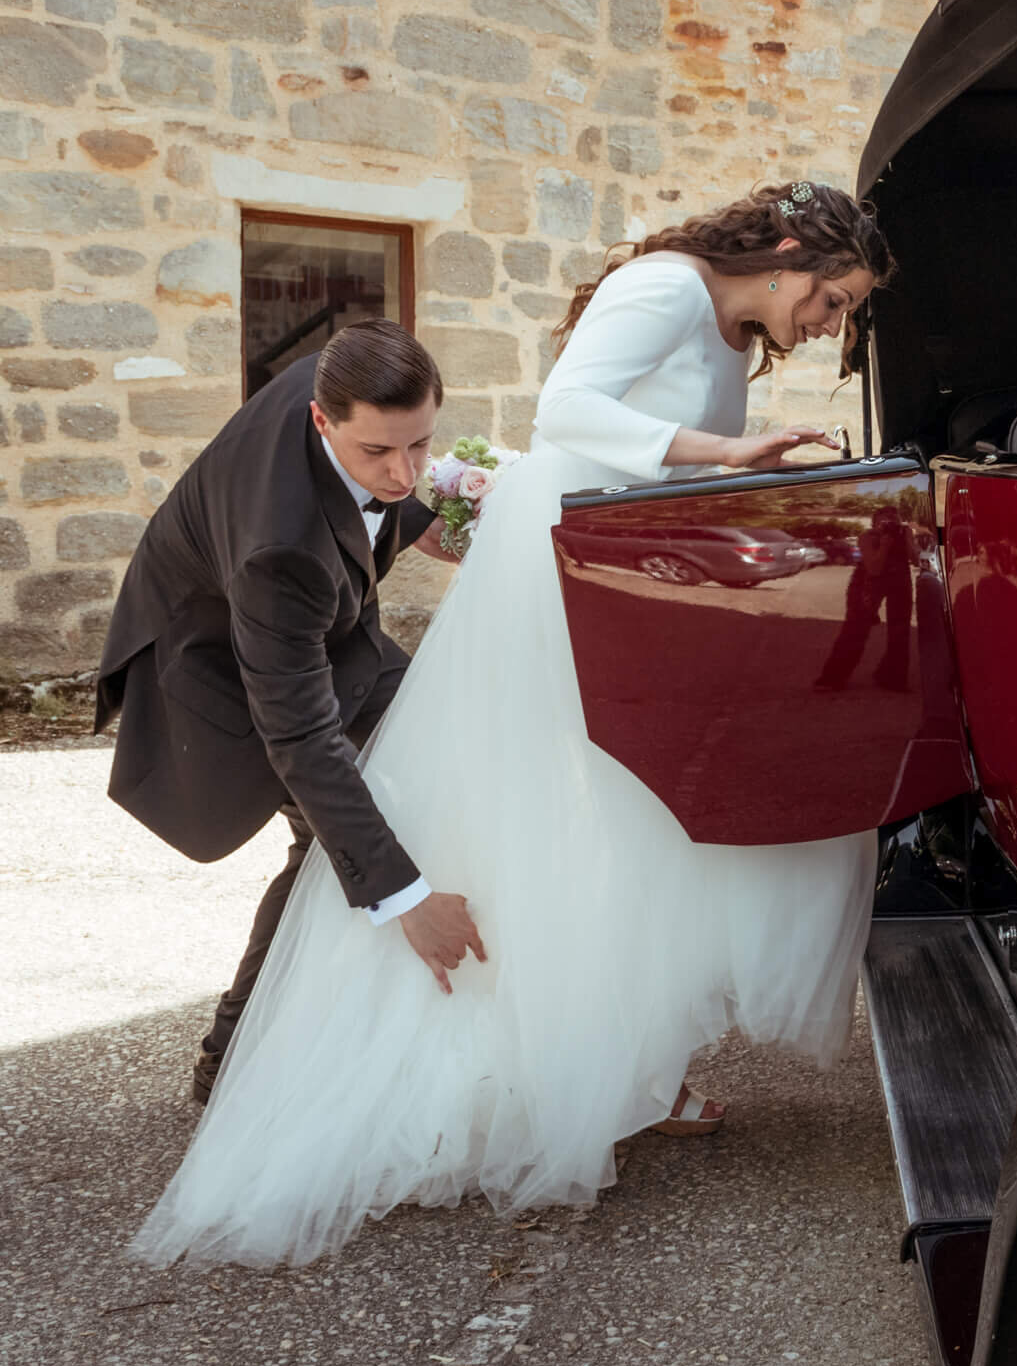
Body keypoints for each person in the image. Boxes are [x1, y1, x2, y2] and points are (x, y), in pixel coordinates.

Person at [131, 181, 897, 1269]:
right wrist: (730, 454)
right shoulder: (665, 288)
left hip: (620, 584)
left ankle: (622, 1055)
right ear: (784, 255)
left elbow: (520, 465)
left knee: (612, 823)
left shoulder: (719, 327)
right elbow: (568, 416)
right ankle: (261, 1053)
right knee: (482, 810)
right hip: (499, 602)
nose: (834, 324)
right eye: (835, 297)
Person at [94, 321, 486, 1105]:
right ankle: (231, 1053)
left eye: (420, 445)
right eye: (379, 453)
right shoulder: (282, 549)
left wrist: (436, 516)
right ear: (322, 418)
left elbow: (379, 501)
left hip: (326, 634)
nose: (404, 471)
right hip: (215, 668)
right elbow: (302, 735)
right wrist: (405, 899)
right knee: (325, 834)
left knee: (438, 745)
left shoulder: (347, 369)